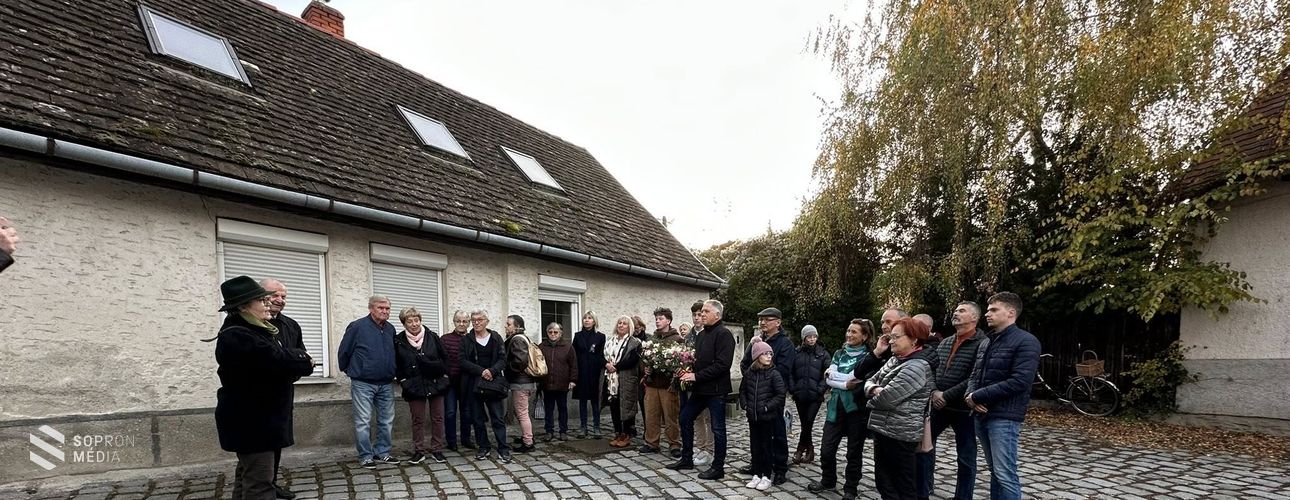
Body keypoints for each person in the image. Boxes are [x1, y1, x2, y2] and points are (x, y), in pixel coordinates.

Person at [213, 276, 313, 500]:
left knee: (248, 477)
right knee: (259, 484)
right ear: (243, 306)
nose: (268, 303)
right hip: (253, 422)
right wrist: (300, 360)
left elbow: (286, 359)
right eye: (262, 300)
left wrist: (294, 360)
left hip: (263, 419)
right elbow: (280, 359)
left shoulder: (258, 328)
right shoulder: (240, 335)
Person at [966, 292, 1041, 500]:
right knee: (995, 472)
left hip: (1004, 417)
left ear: (1011, 312)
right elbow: (974, 374)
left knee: (1005, 474)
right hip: (981, 414)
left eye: (993, 310)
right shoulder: (987, 342)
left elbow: (1020, 381)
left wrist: (978, 396)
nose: (987, 314)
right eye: (988, 310)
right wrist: (970, 396)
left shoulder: (1026, 341)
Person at [809, 318, 887, 500]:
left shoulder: (869, 357)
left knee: (854, 452)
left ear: (865, 336)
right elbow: (829, 379)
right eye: (848, 331)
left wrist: (838, 378)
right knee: (827, 449)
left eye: (854, 332)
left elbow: (857, 379)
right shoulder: (839, 353)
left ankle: (851, 488)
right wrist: (844, 383)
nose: (849, 334)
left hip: (857, 410)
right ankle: (828, 480)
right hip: (835, 407)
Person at [916, 301, 986, 500]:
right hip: (938, 406)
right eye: (955, 310)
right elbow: (933, 369)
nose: (956, 313)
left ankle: (963, 497)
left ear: (974, 317)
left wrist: (946, 396)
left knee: (966, 457)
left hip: (964, 409)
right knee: (922, 447)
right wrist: (934, 391)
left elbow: (975, 376)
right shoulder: (946, 342)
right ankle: (922, 491)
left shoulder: (982, 343)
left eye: (961, 311)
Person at [865, 317, 935, 500]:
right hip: (883, 428)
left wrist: (873, 395)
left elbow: (886, 399)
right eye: (891, 337)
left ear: (914, 340)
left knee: (903, 485)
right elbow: (870, 381)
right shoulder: (895, 360)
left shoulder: (917, 366)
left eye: (896, 337)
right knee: (883, 481)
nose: (891, 341)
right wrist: (874, 389)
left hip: (901, 433)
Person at [667, 299, 735, 480]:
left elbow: (723, 365)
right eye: (701, 311)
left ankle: (718, 467)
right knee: (685, 418)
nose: (702, 314)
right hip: (700, 389)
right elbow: (696, 360)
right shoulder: (702, 334)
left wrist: (696, 376)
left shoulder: (724, 334)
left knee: (718, 428)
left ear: (717, 315)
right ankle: (686, 459)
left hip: (716, 390)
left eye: (706, 311)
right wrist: (685, 369)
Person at [337, 296, 399, 469]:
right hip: (363, 383)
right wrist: (350, 370)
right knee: (363, 421)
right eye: (381, 308)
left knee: (386, 420)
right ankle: (365, 455)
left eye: (387, 308)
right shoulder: (357, 327)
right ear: (371, 308)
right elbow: (344, 351)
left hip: (386, 382)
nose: (385, 311)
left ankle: (382, 452)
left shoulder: (390, 329)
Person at [260, 279, 306, 500]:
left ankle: (271, 482)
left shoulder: (291, 325)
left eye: (284, 296)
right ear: (260, 296)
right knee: (257, 448)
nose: (280, 300)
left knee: (277, 440)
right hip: (258, 396)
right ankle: (260, 485)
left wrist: (291, 370)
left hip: (283, 393)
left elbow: (303, 357)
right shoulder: (250, 325)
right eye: (275, 295)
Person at [738, 307, 795, 484]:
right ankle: (758, 464)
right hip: (755, 395)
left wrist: (765, 382)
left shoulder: (785, 344)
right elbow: (745, 364)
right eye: (761, 320)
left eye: (767, 320)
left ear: (778, 322)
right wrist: (752, 380)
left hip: (772, 397)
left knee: (777, 433)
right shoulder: (758, 340)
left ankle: (780, 468)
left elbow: (783, 372)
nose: (762, 323)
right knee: (756, 434)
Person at [393, 307, 449, 465]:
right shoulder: (398, 340)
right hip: (413, 385)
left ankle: (437, 449)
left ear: (420, 320)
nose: (414, 324)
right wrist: (403, 380)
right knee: (417, 419)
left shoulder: (432, 337)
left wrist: (445, 377)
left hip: (435, 383)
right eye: (409, 321)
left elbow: (445, 358)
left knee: (438, 418)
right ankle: (419, 451)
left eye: (416, 320)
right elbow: (397, 364)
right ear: (404, 323)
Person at [460, 310, 512, 463]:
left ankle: (503, 448)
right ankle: (483, 446)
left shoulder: (495, 337)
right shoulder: (466, 340)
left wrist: (492, 371)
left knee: (497, 417)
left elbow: (503, 359)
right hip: (474, 383)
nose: (476, 322)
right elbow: (462, 361)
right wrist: (481, 371)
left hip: (493, 383)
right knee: (477, 418)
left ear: (487, 321)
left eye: (480, 319)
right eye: (474, 320)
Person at [741, 341, 787, 492]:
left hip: (767, 418)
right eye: (765, 354)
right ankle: (756, 474)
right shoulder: (749, 373)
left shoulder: (774, 373)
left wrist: (767, 407)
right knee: (755, 446)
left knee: (767, 447)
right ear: (757, 356)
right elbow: (743, 391)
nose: (769, 356)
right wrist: (745, 405)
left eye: (770, 354)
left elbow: (780, 394)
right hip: (753, 417)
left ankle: (766, 476)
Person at [641, 307, 682, 457]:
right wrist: (645, 368)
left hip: (668, 385)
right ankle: (652, 443)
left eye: (661, 318)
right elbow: (644, 359)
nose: (657, 321)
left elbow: (682, 361)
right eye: (656, 319)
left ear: (668, 321)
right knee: (651, 414)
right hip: (652, 384)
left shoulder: (677, 339)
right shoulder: (652, 339)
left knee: (670, 416)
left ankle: (674, 444)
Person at [680, 301, 715, 466]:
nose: (697, 318)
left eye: (700, 314)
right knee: (696, 417)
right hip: (690, 382)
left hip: (706, 381)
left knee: (708, 417)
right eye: (694, 315)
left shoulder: (710, 334)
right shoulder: (689, 336)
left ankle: (710, 449)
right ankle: (700, 447)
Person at [789, 324, 829, 465]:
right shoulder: (796, 353)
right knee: (805, 424)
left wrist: (820, 389)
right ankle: (810, 450)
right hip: (800, 395)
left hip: (815, 396)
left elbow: (828, 374)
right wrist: (793, 388)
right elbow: (790, 372)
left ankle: (800, 449)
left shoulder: (823, 354)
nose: (812, 339)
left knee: (808, 422)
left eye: (814, 336)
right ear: (803, 338)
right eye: (809, 337)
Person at [605, 315, 643, 447]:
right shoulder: (610, 341)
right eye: (619, 323)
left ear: (629, 327)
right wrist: (606, 364)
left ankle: (627, 434)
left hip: (627, 379)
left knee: (627, 406)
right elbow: (601, 356)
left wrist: (616, 367)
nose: (621, 325)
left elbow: (633, 360)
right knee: (614, 406)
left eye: (624, 323)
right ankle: (618, 433)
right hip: (611, 380)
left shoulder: (635, 342)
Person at [441, 310, 475, 451]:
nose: (461, 324)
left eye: (464, 321)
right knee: (450, 412)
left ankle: (466, 439)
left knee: (467, 412)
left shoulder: (473, 339)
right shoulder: (445, 339)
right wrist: (445, 375)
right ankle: (451, 441)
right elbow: (441, 359)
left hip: (467, 382)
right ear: (454, 322)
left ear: (469, 323)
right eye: (458, 321)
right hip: (450, 382)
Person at [539, 322, 577, 442]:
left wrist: (573, 380)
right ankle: (549, 431)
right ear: (547, 333)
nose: (553, 334)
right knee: (548, 409)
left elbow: (574, 365)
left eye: (556, 332)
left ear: (560, 333)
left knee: (562, 408)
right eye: (550, 332)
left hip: (562, 384)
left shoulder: (568, 347)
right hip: (547, 383)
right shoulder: (542, 346)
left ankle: (563, 431)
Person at [504, 315, 537, 453]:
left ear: (517, 326)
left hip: (521, 382)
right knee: (522, 412)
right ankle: (526, 436)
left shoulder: (517, 339)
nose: (506, 326)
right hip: (525, 382)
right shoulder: (523, 338)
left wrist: (507, 368)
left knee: (522, 413)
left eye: (508, 324)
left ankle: (528, 442)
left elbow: (520, 361)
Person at [572, 311, 606, 438]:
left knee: (595, 401)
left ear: (594, 321)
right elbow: (573, 355)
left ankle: (597, 427)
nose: (587, 320)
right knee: (582, 401)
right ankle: (583, 427)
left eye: (590, 318)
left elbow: (602, 355)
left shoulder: (600, 336)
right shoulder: (578, 336)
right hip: (581, 372)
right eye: (585, 318)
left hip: (594, 373)